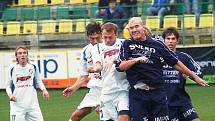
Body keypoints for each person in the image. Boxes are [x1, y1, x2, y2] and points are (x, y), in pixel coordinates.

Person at [118, 17, 209, 121]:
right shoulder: (126, 44)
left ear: (143, 27)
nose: (134, 30)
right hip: (138, 94)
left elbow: (175, 63)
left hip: (158, 94)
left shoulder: (157, 44)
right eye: (131, 28)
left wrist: (194, 76)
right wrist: (136, 60)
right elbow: (121, 66)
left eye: (136, 26)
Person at [88, 22, 130, 121]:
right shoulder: (97, 48)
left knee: (124, 118)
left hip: (123, 90)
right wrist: (96, 68)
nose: (107, 40)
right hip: (106, 92)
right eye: (104, 37)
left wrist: (114, 58)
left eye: (110, 37)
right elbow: (98, 63)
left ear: (116, 34)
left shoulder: (124, 44)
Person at [62, 22, 102, 121]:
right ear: (88, 37)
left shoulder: (109, 46)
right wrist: (74, 88)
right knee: (75, 117)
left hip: (111, 87)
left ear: (102, 34)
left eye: (98, 37)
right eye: (92, 38)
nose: (96, 41)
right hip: (96, 89)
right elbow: (84, 75)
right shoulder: (86, 51)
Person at [162, 27, 204, 121]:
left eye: (173, 39)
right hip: (166, 103)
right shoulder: (158, 58)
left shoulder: (184, 57)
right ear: (164, 41)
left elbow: (199, 73)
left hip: (182, 101)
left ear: (177, 41)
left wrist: (189, 74)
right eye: (168, 39)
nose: (170, 41)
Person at [5, 46, 49, 121]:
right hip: (17, 106)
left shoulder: (33, 66)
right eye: (20, 53)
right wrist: (10, 95)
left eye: (24, 53)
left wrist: (44, 90)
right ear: (16, 56)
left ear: (27, 55)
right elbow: (8, 86)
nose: (22, 55)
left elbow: (38, 80)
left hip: (33, 106)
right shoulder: (11, 69)